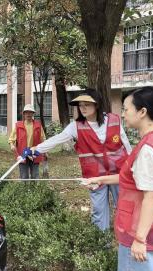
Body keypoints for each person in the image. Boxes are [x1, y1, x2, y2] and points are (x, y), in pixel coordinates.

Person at [85, 86, 153, 271]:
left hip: (142, 233)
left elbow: (152, 196)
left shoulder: (149, 149)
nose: (123, 114)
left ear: (142, 112)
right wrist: (100, 179)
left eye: (126, 109)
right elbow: (135, 179)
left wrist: (140, 239)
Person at [31, 88, 132, 231]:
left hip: (119, 173)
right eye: (80, 105)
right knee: (98, 211)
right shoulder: (75, 127)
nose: (82, 108)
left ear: (97, 105)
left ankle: (128, 240)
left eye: (87, 104)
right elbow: (57, 139)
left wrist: (133, 167)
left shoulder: (114, 120)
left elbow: (127, 146)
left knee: (125, 208)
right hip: (95, 176)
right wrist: (36, 149)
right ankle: (102, 245)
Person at [8, 104, 46, 179]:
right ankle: (24, 190)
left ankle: (34, 190)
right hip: (22, 154)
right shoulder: (18, 126)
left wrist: (45, 151)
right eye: (27, 112)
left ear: (33, 114)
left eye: (30, 112)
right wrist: (12, 145)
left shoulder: (38, 125)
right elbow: (11, 139)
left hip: (35, 153)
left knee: (35, 175)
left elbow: (43, 139)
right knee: (24, 176)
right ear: (24, 114)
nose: (28, 114)